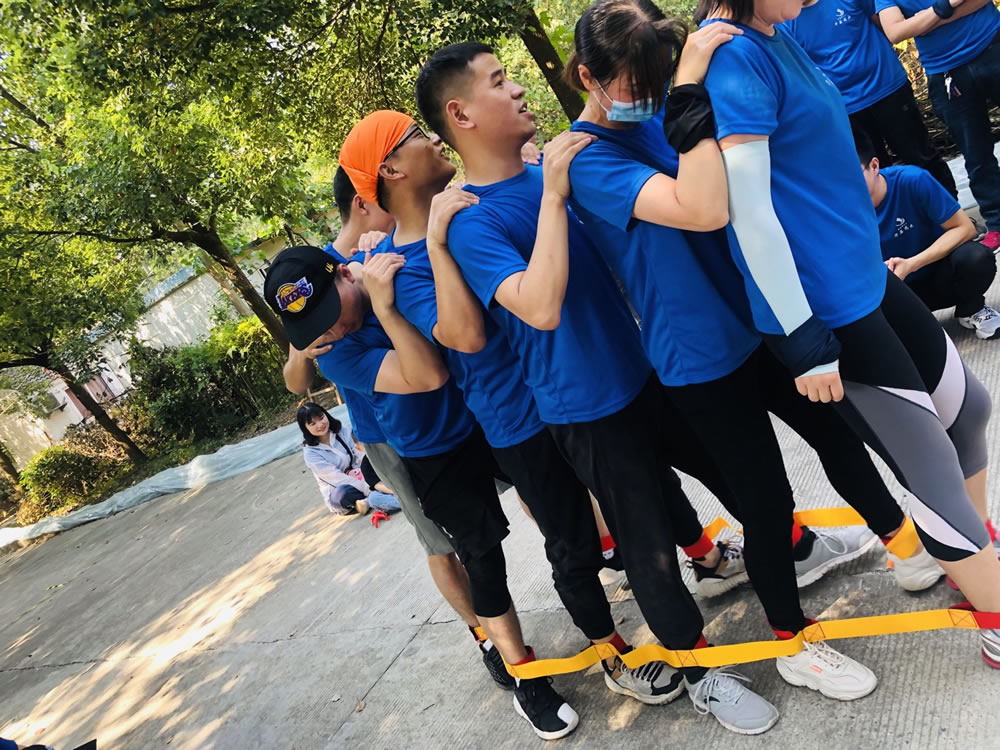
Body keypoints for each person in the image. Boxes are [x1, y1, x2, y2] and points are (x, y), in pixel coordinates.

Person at [416, 40, 782, 735]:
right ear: (461, 115)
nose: (517, 88)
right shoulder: (469, 218)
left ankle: (783, 559)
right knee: (646, 547)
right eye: (499, 81)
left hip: (646, 369)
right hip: (585, 407)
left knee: (735, 478)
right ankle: (700, 673)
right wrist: (554, 197)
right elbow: (538, 305)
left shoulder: (549, 166)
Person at [339, 109, 695, 719]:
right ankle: (611, 653)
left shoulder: (473, 204)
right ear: (390, 169)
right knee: (571, 540)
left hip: (576, 391)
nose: (434, 138)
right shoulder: (399, 265)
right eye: (417, 136)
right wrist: (436, 244)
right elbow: (465, 335)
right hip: (519, 420)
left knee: (649, 490)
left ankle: (706, 558)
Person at [696, 0, 1000, 669]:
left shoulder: (776, 33)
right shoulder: (732, 58)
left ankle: (975, 554)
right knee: (928, 467)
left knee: (969, 410)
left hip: (863, 273)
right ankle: (995, 611)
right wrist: (801, 334)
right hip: (827, 306)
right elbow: (748, 214)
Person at [265, 243, 582, 741]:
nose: (332, 330)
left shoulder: (381, 260)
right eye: (317, 327)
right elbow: (427, 374)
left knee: (552, 503)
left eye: (330, 315)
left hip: (488, 413)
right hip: (429, 445)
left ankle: (594, 602)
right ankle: (522, 673)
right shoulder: (334, 351)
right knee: (477, 557)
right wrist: (385, 310)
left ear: (345, 272)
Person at [280, 173, 515, 692]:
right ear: (365, 202)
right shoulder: (308, 285)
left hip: (462, 404)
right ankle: (486, 637)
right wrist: (302, 350)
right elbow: (297, 381)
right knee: (441, 541)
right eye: (388, 195)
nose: (402, 206)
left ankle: (595, 556)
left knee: (529, 480)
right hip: (392, 432)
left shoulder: (380, 251)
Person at [783, 0, 957, 195]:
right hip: (846, 107)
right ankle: (902, 214)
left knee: (921, 156)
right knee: (875, 173)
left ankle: (952, 208)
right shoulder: (786, 21)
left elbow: (883, 24)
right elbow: (802, 69)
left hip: (888, 87)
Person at [873, 0, 1000, 251]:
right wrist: (945, 6)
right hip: (944, 71)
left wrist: (925, 21)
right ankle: (997, 221)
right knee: (976, 154)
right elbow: (895, 32)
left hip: (991, 43)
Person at [855, 128, 1000, 338]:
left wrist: (912, 264)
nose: (847, 185)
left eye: (854, 175)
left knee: (975, 257)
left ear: (874, 166)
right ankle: (911, 329)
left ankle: (971, 308)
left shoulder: (912, 180)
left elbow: (964, 228)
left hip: (938, 274)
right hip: (895, 291)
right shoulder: (838, 213)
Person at [297, 401, 401, 516]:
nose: (320, 424)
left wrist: (370, 475)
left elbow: (360, 454)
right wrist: (370, 486)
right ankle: (375, 497)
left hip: (360, 474)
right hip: (344, 487)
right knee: (341, 495)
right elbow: (337, 478)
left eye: (321, 418)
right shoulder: (311, 453)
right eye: (312, 424)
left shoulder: (340, 430)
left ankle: (369, 501)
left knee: (378, 463)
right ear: (305, 428)